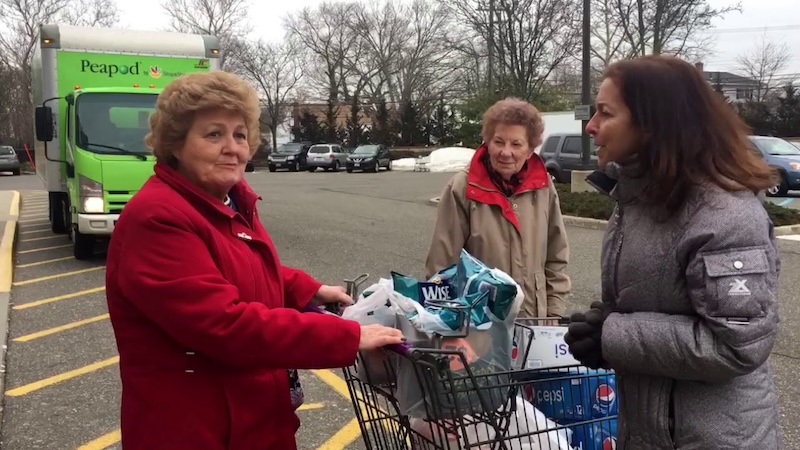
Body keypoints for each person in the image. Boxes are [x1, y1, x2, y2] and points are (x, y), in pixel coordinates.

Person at [104, 71, 405, 450]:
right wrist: (347, 335)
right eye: (214, 134)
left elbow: (239, 267)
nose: (232, 147)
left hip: (252, 419)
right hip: (199, 429)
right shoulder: (158, 217)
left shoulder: (229, 200)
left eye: (240, 134)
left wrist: (307, 289)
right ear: (175, 144)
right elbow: (222, 323)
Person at [564, 55, 781, 449]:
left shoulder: (724, 213)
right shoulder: (639, 198)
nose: (591, 127)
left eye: (605, 113)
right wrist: (608, 328)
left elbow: (737, 344)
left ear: (652, 123)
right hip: (654, 431)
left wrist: (612, 336)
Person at [425, 97, 570, 318]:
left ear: (530, 149)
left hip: (535, 318)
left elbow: (556, 257)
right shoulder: (462, 187)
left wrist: (554, 313)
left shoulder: (543, 186)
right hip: (479, 322)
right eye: (499, 141)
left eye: (516, 144)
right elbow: (442, 264)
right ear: (487, 142)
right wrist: (447, 324)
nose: (506, 152)